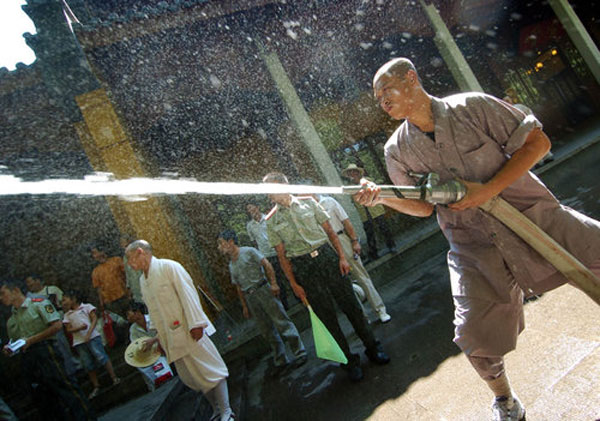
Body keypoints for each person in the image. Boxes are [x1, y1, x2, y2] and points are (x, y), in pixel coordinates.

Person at [359, 57, 600, 420]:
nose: (383, 102)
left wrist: (486, 190)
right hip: (473, 246)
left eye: (387, 91)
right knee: (472, 336)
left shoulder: (472, 106)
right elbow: (422, 208)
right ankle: (505, 401)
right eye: (378, 99)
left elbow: (537, 142)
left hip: (534, 216)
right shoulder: (397, 150)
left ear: (412, 78)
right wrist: (381, 196)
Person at [262, 172, 390, 382]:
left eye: (272, 187)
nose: (270, 193)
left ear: (284, 185)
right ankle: (349, 362)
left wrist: (342, 257)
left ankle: (373, 348)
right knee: (327, 317)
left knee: (352, 306)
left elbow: (330, 232)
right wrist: (294, 284)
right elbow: (282, 257)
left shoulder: (308, 203)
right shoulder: (272, 220)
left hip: (328, 257)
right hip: (304, 268)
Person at [125, 240, 234, 421]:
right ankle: (215, 410)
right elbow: (154, 312)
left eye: (130, 258)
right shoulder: (143, 281)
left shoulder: (169, 267)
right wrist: (159, 338)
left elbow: (188, 295)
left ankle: (226, 411)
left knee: (210, 370)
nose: (129, 264)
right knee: (193, 377)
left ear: (140, 252)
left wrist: (196, 324)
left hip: (189, 329)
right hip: (171, 337)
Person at [0, 282, 95, 420]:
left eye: (3, 293)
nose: (1, 298)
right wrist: (10, 348)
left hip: (46, 350)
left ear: (15, 290)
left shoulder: (38, 303)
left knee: (66, 388)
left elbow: (56, 326)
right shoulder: (11, 320)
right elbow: (16, 341)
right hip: (29, 357)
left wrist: (32, 340)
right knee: (44, 399)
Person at [217, 229, 307, 373]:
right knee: (266, 330)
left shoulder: (249, 251)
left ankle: (300, 352)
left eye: (221, 243)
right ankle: (281, 360)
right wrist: (245, 306)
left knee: (281, 321)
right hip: (250, 296)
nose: (219, 247)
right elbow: (239, 287)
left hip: (263, 289)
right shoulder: (231, 264)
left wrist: (274, 283)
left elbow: (267, 265)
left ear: (230, 242)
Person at [315, 194, 391, 323]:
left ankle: (380, 310)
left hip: (341, 239)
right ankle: (362, 318)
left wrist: (354, 241)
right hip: (326, 246)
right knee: (345, 284)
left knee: (361, 276)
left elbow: (346, 221)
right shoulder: (308, 209)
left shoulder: (329, 201)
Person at [62, 290, 120, 400]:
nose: (63, 303)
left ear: (73, 299)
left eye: (65, 299)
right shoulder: (67, 315)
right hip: (79, 341)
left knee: (101, 356)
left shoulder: (87, 307)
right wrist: (80, 328)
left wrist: (89, 332)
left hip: (93, 337)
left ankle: (114, 377)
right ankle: (96, 385)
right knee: (87, 363)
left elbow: (93, 319)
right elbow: (68, 329)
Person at [25, 274, 81, 377]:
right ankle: (68, 368)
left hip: (58, 318)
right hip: (46, 323)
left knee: (66, 343)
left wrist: (69, 315)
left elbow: (64, 302)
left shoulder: (52, 290)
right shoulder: (29, 298)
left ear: (38, 280)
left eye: (30, 281)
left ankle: (75, 364)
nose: (29, 285)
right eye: (27, 283)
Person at [341, 163, 396, 260]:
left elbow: (377, 191)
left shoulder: (368, 181)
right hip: (364, 213)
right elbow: (353, 200)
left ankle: (392, 246)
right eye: (350, 173)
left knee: (384, 228)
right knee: (369, 233)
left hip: (375, 208)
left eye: (354, 172)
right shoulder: (351, 187)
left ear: (358, 173)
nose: (352, 174)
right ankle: (373, 254)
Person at [246, 202, 290, 309]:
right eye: (249, 210)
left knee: (288, 274)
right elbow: (254, 242)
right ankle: (285, 304)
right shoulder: (250, 226)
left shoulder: (268, 218)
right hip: (266, 255)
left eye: (252, 208)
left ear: (257, 207)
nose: (251, 211)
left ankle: (299, 298)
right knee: (276, 279)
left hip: (277, 251)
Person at [126, 302, 171, 391]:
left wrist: (154, 341)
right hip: (150, 354)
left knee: (160, 362)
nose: (127, 317)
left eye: (129, 313)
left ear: (137, 312)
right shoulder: (133, 329)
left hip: (164, 346)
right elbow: (135, 345)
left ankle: (166, 380)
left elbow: (164, 331)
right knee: (142, 366)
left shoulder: (152, 319)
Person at [90, 246, 129, 317]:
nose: (98, 255)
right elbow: (99, 289)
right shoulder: (95, 272)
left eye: (99, 252)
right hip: (110, 302)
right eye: (94, 254)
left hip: (124, 296)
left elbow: (127, 276)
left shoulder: (116, 260)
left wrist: (129, 292)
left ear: (104, 251)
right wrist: (102, 304)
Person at [121, 235, 144, 304]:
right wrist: (129, 289)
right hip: (136, 291)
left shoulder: (141, 255)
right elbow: (128, 274)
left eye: (126, 246)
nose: (125, 249)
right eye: (124, 247)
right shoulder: (125, 258)